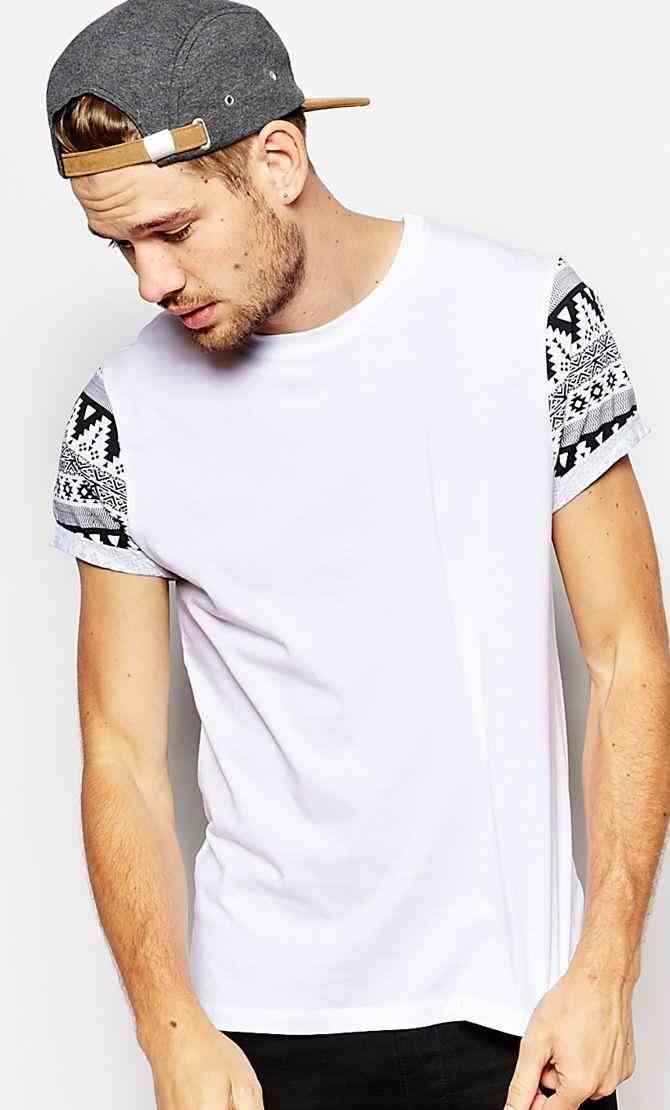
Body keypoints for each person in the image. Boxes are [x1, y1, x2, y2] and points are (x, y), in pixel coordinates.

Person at [44, 3, 670, 1107]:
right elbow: (122, 754)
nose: (150, 281)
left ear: (278, 161)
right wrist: (168, 1030)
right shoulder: (121, 416)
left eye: (173, 230)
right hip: (258, 1037)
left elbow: (627, 656)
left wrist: (607, 970)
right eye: (122, 247)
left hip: (517, 1019)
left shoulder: (528, 318)